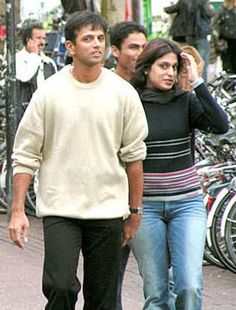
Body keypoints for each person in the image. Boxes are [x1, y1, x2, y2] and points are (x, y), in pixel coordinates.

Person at [8, 11, 148, 310]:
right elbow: (25, 154)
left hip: (108, 208)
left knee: (103, 297)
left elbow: (135, 157)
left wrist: (134, 211)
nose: (96, 44)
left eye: (100, 38)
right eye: (88, 39)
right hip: (61, 207)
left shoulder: (122, 93)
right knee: (60, 286)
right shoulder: (49, 93)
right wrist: (18, 210)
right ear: (70, 47)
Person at [129, 38, 229, 309]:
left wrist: (196, 82)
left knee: (190, 286)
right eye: (163, 66)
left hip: (187, 204)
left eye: (174, 67)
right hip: (145, 207)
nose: (170, 73)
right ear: (146, 68)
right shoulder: (131, 103)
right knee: (156, 292)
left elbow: (220, 125)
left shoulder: (185, 101)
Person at [109, 20, 147, 310]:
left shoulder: (158, 85)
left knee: (161, 281)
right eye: (134, 47)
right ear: (115, 52)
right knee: (111, 281)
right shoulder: (105, 88)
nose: (141, 53)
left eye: (145, 47)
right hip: (115, 197)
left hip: (154, 195)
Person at [15, 22, 57, 121]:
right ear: (28, 40)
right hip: (24, 114)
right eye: (38, 38)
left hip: (46, 114)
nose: (43, 42)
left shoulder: (49, 62)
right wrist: (34, 55)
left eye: (44, 38)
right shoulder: (17, 58)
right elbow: (24, 77)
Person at [164, 0, 214, 82]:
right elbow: (210, 14)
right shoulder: (203, 2)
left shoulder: (183, 1)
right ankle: (201, 85)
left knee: (187, 61)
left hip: (188, 35)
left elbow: (170, 10)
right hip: (201, 35)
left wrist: (165, 8)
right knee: (202, 62)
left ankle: (188, 84)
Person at [214, 0, 236, 73]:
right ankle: (228, 79)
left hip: (232, 40)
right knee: (226, 62)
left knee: (232, 61)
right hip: (225, 41)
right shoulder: (222, 11)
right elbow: (214, 23)